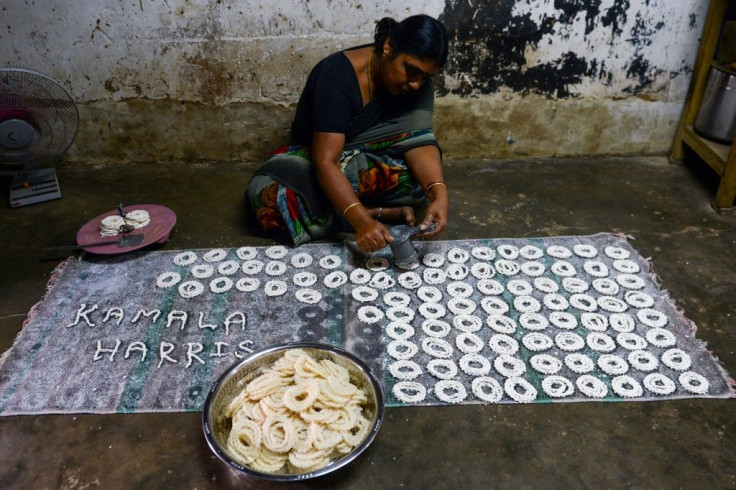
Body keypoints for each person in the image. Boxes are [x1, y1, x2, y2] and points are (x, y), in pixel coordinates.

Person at [246, 14, 450, 254]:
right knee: (270, 203)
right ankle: (370, 211)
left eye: (425, 77)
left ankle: (347, 210)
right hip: (316, 163)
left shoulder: (418, 85)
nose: (416, 84)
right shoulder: (336, 76)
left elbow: (417, 141)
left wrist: (438, 192)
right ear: (389, 46)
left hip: (366, 162)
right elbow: (325, 162)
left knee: (413, 179)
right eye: (411, 70)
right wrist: (362, 222)